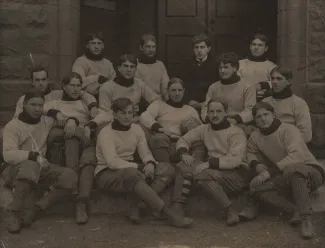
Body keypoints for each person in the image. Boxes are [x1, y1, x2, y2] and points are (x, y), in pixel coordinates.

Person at [94, 97, 192, 228]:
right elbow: (112, 162)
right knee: (133, 174)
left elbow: (145, 152)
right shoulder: (106, 133)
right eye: (123, 113)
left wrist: (150, 163)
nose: (127, 116)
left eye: (130, 113)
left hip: (130, 169)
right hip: (106, 173)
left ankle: (138, 205)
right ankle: (169, 215)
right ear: (115, 114)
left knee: (167, 168)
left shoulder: (136, 129)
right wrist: (139, 166)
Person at [241, 102, 324, 239]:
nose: (263, 119)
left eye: (266, 114)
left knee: (294, 171)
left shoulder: (288, 129)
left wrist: (269, 172)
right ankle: (293, 209)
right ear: (255, 120)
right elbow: (249, 152)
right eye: (258, 117)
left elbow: (296, 156)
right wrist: (255, 164)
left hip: (310, 171)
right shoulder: (256, 136)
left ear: (273, 115)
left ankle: (306, 219)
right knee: (257, 187)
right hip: (284, 174)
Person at [2, 89, 77, 233]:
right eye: (33, 105)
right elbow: (8, 155)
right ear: (23, 105)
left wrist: (72, 121)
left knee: (70, 177)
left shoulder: (46, 120)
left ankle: (37, 208)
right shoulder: (13, 125)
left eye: (40, 105)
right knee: (30, 165)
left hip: (40, 168)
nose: (37, 109)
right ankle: (14, 212)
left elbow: (65, 118)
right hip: (15, 169)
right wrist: (34, 156)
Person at [44, 73, 112, 224]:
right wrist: (69, 120)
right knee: (71, 139)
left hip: (87, 142)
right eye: (72, 85)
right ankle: (75, 192)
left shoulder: (85, 104)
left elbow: (107, 115)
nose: (76, 89)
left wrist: (89, 125)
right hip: (66, 146)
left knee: (88, 162)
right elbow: (42, 109)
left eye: (78, 85)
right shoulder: (55, 104)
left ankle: (81, 203)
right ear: (63, 86)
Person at [170, 100, 250, 226]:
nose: (215, 115)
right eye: (211, 111)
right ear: (207, 113)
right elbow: (184, 139)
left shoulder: (236, 132)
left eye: (219, 111)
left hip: (237, 174)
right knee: (189, 168)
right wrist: (184, 153)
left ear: (226, 113)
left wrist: (208, 164)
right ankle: (230, 210)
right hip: (213, 173)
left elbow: (234, 160)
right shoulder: (204, 129)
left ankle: (177, 205)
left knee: (197, 173)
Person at [140, 77, 204, 163]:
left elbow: (199, 129)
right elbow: (144, 116)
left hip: (181, 145)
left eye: (180, 90)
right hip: (163, 143)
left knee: (199, 142)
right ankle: (165, 168)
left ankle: (192, 168)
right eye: (173, 90)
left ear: (183, 91)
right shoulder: (159, 105)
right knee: (159, 138)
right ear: (168, 91)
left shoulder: (190, 110)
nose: (177, 93)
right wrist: (159, 128)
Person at [201, 52, 256, 135]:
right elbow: (205, 108)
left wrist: (236, 120)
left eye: (226, 67)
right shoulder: (213, 87)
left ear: (235, 68)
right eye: (220, 68)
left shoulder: (247, 87)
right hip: (216, 123)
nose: (222, 71)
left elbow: (251, 109)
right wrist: (209, 118)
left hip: (238, 124)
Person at [13, 66, 97, 119]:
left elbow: (83, 93)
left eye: (43, 79)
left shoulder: (57, 94)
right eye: (37, 80)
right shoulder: (24, 99)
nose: (41, 83)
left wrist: (92, 105)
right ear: (32, 82)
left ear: (48, 80)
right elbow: (17, 119)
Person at [99, 53, 158, 121]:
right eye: (126, 66)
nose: (129, 70)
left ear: (135, 69)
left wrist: (144, 116)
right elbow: (104, 113)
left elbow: (156, 101)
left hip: (136, 121)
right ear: (119, 68)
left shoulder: (139, 83)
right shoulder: (107, 87)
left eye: (132, 67)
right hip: (114, 122)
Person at [262, 66, 312, 143]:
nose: (274, 82)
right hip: (267, 145)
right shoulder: (265, 102)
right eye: (272, 78)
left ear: (288, 81)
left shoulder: (298, 103)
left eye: (279, 79)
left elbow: (306, 134)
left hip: (291, 146)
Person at [180, 34, 218, 112]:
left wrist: (205, 103)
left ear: (209, 48)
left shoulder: (216, 65)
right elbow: (181, 85)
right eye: (196, 47)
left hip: (210, 105)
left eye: (202, 47)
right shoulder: (186, 64)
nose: (199, 50)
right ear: (193, 49)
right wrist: (189, 100)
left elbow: (218, 87)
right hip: (190, 104)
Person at [72, 32, 116, 97]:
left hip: (106, 96)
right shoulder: (80, 61)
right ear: (87, 45)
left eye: (99, 43)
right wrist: (97, 78)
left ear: (103, 46)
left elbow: (113, 83)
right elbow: (77, 82)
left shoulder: (108, 63)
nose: (96, 46)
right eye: (93, 43)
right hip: (85, 97)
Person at [238, 33, 277, 101]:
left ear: (266, 48)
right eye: (254, 44)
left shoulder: (272, 66)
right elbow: (235, 83)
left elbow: (277, 82)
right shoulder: (240, 64)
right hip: (242, 100)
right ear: (250, 46)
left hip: (263, 102)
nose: (256, 48)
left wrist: (264, 86)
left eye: (260, 45)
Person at [136, 34, 169, 100]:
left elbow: (165, 85)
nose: (151, 50)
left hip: (159, 101)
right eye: (148, 47)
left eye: (153, 47)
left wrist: (167, 100)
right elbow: (139, 87)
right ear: (141, 47)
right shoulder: (136, 65)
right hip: (141, 101)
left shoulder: (160, 65)